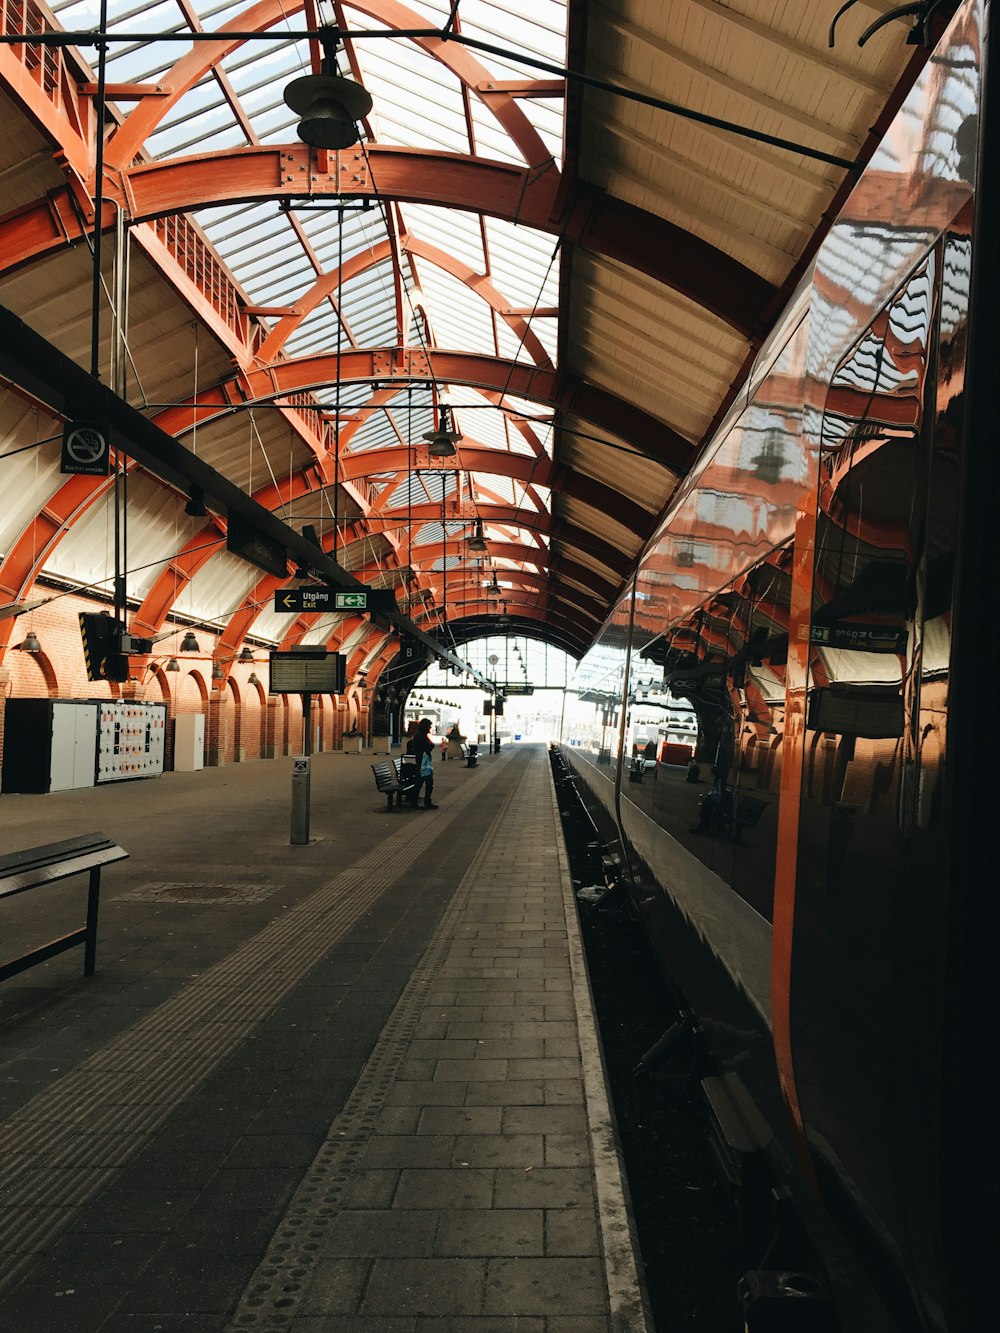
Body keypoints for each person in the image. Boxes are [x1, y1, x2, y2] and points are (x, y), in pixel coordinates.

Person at [408, 717, 438, 809]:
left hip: (423, 763)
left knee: (423, 783)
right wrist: (431, 745)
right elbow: (428, 747)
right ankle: (421, 802)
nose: (430, 728)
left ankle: (421, 801)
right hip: (422, 764)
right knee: (424, 783)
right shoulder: (420, 736)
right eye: (429, 726)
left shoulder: (421, 735)